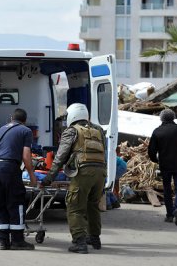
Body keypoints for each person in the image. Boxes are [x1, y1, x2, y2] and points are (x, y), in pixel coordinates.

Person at [42, 103, 106, 254]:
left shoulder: (71, 131)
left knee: (74, 206)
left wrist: (49, 178)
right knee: (93, 205)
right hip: (100, 171)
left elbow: (60, 156)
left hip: (84, 172)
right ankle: (94, 239)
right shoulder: (98, 130)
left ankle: (79, 242)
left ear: (72, 116)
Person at [0, 108, 37, 250]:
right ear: (25, 120)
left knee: (1, 203)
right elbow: (26, 155)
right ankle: (17, 241)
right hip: (9, 168)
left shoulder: (1, 129)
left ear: (11, 118)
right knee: (16, 203)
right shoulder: (25, 131)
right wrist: (32, 176)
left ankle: (4, 241)